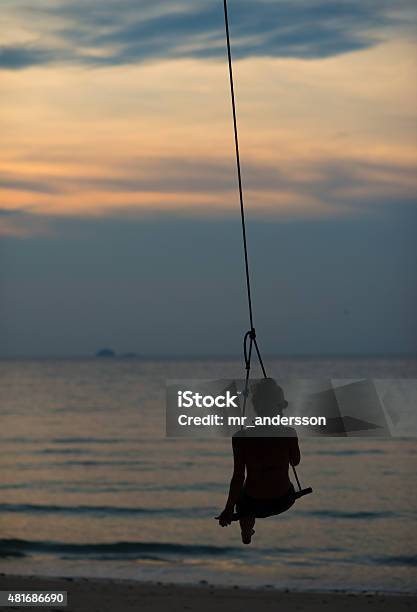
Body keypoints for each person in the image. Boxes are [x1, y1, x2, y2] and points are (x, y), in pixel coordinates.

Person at [216, 378, 300, 544]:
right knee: (249, 496)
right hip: (283, 499)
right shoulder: (289, 432)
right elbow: (295, 462)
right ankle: (247, 526)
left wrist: (228, 509)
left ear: (254, 407)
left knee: (242, 500)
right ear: (279, 406)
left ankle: (246, 529)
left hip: (253, 503)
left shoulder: (241, 437)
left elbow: (238, 477)